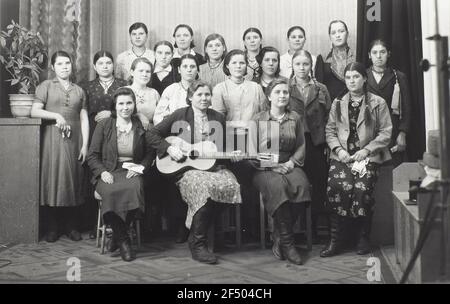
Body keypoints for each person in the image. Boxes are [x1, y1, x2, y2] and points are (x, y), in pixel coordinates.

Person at [148, 80, 243, 264]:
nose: (204, 98)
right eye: (199, 94)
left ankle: (192, 227)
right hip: (188, 170)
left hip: (215, 168)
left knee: (232, 185)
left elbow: (225, 148)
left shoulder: (218, 117)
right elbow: (152, 134)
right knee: (203, 188)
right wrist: (168, 148)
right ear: (190, 97)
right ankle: (197, 243)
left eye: (207, 94)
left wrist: (234, 154)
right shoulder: (179, 115)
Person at [321, 62, 392, 257]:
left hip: (367, 156)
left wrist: (367, 150)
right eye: (349, 77)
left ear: (364, 79)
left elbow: (386, 132)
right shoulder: (338, 103)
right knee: (336, 186)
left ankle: (363, 237)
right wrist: (338, 150)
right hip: (343, 156)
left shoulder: (378, 102)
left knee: (361, 189)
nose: (352, 81)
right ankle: (336, 240)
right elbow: (330, 130)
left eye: (356, 76)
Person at [87, 87, 154, 262]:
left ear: (134, 104)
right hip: (109, 170)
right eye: (121, 103)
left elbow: (149, 154)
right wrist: (102, 172)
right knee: (108, 192)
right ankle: (124, 240)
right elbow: (92, 155)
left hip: (132, 170)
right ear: (114, 106)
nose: (125, 107)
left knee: (135, 188)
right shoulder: (105, 124)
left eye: (129, 103)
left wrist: (140, 168)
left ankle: (117, 236)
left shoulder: (141, 125)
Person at [31, 50, 89, 243]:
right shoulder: (46, 86)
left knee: (73, 180)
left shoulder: (79, 90)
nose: (65, 67)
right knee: (52, 179)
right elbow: (34, 111)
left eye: (67, 63)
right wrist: (56, 116)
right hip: (52, 139)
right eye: (61, 64)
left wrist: (85, 145)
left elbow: (84, 118)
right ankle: (52, 228)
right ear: (53, 67)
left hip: (75, 141)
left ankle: (72, 226)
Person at [252, 78, 311, 265]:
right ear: (269, 95)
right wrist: (271, 165)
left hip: (288, 164)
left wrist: (292, 163)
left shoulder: (295, 118)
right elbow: (252, 150)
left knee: (302, 186)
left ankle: (279, 237)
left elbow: (301, 145)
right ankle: (288, 243)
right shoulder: (258, 119)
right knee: (278, 187)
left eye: (285, 92)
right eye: (277, 92)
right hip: (264, 168)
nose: (282, 95)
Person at [79, 50, 128, 238]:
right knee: (95, 174)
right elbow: (82, 113)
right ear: (94, 66)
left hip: (117, 134)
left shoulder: (122, 85)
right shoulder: (87, 87)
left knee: (114, 173)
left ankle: (115, 223)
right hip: (93, 133)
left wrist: (111, 113)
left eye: (108, 62)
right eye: (101, 63)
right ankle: (95, 223)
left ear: (113, 65)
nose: (105, 66)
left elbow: (129, 108)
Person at [288, 50, 331, 241]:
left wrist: (328, 144)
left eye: (305, 64)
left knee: (319, 185)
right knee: (298, 185)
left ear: (311, 66)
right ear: (292, 66)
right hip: (294, 144)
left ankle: (314, 228)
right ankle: (298, 228)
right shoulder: (285, 88)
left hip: (316, 143)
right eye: (298, 64)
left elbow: (330, 117)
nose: (302, 68)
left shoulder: (321, 88)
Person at [366, 39, 411, 167]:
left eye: (382, 52)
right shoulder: (362, 76)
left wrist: (403, 133)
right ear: (369, 55)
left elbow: (407, 108)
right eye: (374, 52)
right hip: (369, 133)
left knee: (393, 173)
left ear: (389, 54)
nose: (379, 56)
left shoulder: (398, 77)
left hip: (393, 132)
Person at [153, 54, 199, 125]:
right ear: (179, 70)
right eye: (185, 66)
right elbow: (158, 117)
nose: (189, 70)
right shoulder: (171, 90)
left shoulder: (203, 89)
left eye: (192, 67)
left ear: (197, 70)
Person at [316, 20, 355, 102]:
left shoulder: (356, 56)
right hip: (330, 104)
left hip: (354, 102)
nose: (338, 35)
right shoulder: (323, 58)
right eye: (333, 33)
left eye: (341, 31)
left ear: (347, 34)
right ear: (330, 36)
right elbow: (319, 87)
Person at [127, 57, 160, 129]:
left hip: (149, 133)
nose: (144, 74)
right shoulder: (124, 91)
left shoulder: (154, 93)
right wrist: (137, 115)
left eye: (148, 71)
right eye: (141, 71)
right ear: (132, 72)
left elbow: (159, 117)